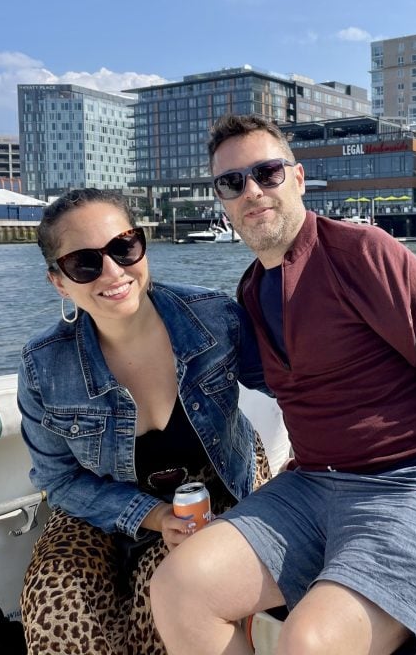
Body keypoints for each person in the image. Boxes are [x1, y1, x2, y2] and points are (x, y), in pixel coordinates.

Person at [151, 115, 416, 655]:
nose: (252, 191)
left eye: (266, 173)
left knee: (310, 641)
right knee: (179, 588)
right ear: (221, 201)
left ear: (297, 179)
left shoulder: (362, 253)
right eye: (232, 182)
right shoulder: (251, 291)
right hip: (314, 485)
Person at [17, 188, 271, 655]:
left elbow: (292, 387)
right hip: (100, 497)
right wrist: (151, 516)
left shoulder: (213, 319)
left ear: (142, 245)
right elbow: (59, 479)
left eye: (123, 247)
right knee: (57, 608)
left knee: (165, 603)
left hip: (211, 483)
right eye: (85, 263)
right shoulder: (44, 366)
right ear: (59, 281)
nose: (113, 272)